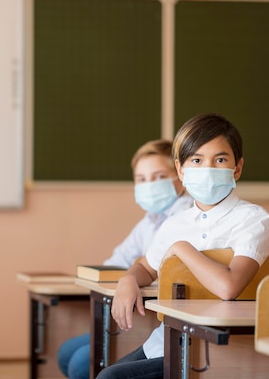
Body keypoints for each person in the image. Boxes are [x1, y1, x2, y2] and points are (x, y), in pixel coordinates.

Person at [96, 113, 269, 379]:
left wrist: (182, 248)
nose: (208, 169)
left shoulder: (252, 218)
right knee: (106, 372)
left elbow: (229, 287)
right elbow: (146, 266)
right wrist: (128, 280)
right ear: (181, 170)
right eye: (197, 160)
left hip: (216, 350)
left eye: (220, 159)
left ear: (237, 168)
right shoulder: (177, 222)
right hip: (167, 340)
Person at [57, 139, 192, 379]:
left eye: (159, 176)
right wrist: (135, 268)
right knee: (66, 353)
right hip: (139, 312)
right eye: (141, 180)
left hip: (154, 318)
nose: (149, 185)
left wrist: (137, 267)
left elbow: (158, 265)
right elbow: (115, 263)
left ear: (180, 175)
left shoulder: (186, 213)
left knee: (79, 364)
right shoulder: (150, 220)